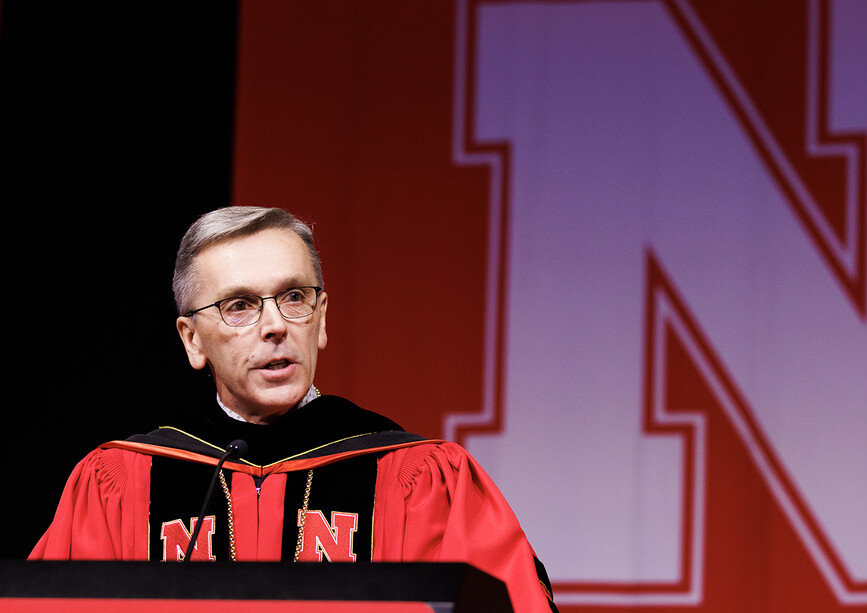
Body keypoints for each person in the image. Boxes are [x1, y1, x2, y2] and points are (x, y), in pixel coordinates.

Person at [31, 206, 557, 613]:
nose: (275, 325)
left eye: (294, 297)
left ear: (321, 319)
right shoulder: (122, 482)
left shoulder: (419, 479)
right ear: (192, 340)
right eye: (239, 305)